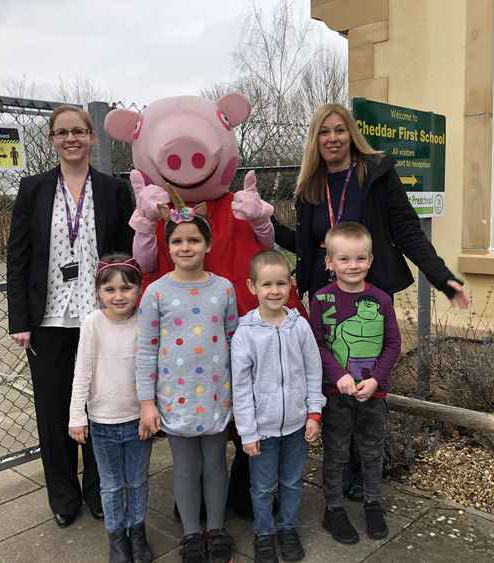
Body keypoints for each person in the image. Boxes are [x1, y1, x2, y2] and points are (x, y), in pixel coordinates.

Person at [273, 102, 470, 501]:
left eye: (339, 130)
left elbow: (407, 231)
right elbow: (306, 247)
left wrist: (443, 278)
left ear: (351, 134)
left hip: (367, 298)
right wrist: (268, 224)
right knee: (334, 387)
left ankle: (368, 473)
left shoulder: (375, 175)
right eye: (324, 132)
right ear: (316, 139)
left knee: (370, 387)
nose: (332, 138)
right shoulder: (309, 187)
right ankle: (342, 469)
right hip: (327, 300)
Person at [7, 105, 135, 527]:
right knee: (55, 409)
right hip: (49, 322)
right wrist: (20, 319)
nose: (71, 139)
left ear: (92, 137)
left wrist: (125, 307)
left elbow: (124, 255)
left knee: (101, 407)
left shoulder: (113, 190)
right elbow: (18, 257)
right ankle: (64, 496)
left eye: (78, 131)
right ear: (51, 140)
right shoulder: (33, 189)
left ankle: (100, 490)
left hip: (100, 318)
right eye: (62, 133)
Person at [135, 210, 237, 563]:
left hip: (216, 395)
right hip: (175, 399)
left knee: (215, 464)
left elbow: (232, 340)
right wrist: (147, 403)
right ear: (168, 247)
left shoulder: (224, 289)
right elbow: (146, 350)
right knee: (185, 467)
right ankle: (192, 532)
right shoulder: (156, 293)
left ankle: (216, 528)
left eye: (194, 240)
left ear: (208, 244)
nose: (185, 246)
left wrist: (238, 393)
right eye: (177, 241)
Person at [231, 250, 325, 563]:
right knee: (262, 486)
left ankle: (287, 528)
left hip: (298, 425)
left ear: (290, 285)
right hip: (263, 429)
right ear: (251, 286)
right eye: (267, 284)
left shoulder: (299, 327)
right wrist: (247, 432)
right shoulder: (245, 334)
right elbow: (241, 388)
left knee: (292, 482)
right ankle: (265, 533)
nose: (274, 290)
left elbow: (313, 371)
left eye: (281, 283)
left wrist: (314, 413)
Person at [309, 222, 401, 544]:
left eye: (360, 259)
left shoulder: (381, 300)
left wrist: (376, 379)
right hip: (336, 394)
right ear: (329, 262)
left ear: (371, 260)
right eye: (344, 259)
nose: (353, 266)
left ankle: (373, 502)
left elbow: (393, 345)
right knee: (335, 452)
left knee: (372, 451)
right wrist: (339, 375)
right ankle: (333, 508)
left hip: (373, 394)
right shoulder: (320, 299)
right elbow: (317, 344)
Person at [68, 254, 153, 563]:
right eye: (110, 289)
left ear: (139, 289)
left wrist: (151, 409)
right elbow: (83, 371)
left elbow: (153, 369)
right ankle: (117, 537)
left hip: (138, 420)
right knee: (112, 484)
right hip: (103, 422)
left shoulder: (145, 321)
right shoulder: (93, 323)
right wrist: (77, 415)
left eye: (127, 288)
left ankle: (138, 533)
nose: (119, 296)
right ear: (98, 292)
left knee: (139, 480)